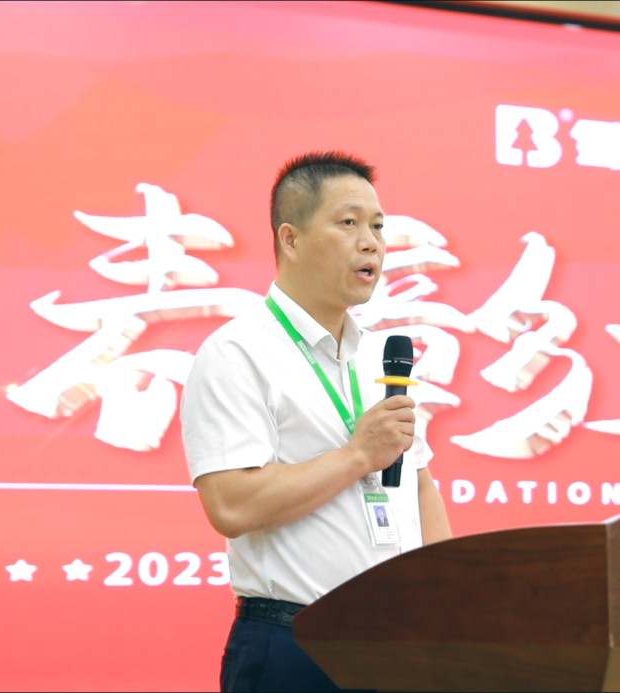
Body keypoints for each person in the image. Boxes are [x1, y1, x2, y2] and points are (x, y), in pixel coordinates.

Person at [181, 151, 452, 692]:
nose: (371, 242)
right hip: (294, 645)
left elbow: (418, 485)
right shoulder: (237, 352)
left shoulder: (380, 357)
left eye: (378, 226)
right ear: (291, 239)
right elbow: (232, 505)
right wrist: (357, 456)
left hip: (400, 644)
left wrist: (452, 605)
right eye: (348, 223)